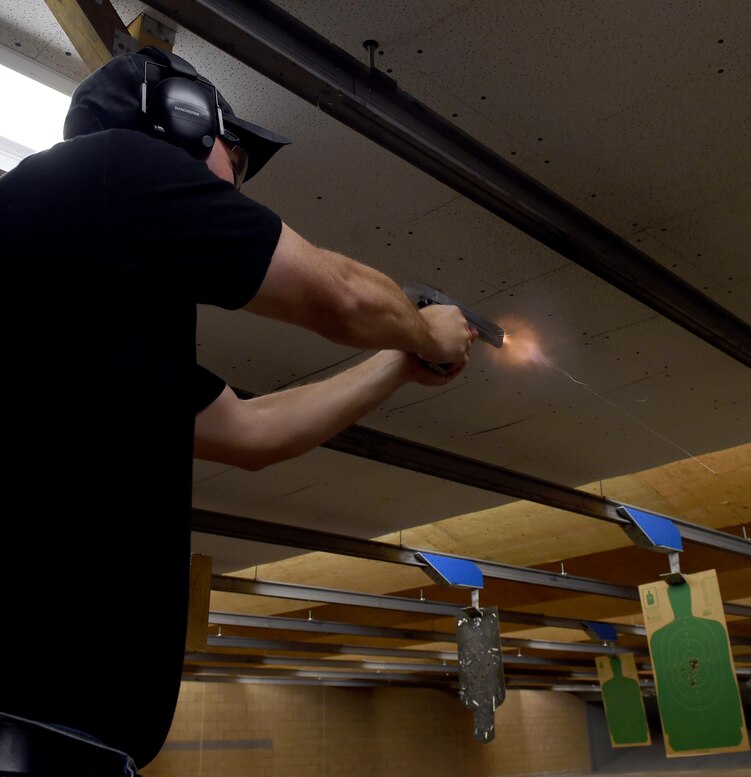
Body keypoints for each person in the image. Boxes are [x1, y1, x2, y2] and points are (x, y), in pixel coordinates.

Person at [0, 45, 475, 775]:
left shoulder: (88, 318)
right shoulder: (112, 166)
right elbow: (341, 293)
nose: (235, 178)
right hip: (31, 732)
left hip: (65, 739)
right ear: (181, 120)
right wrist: (425, 330)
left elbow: (253, 432)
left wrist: (397, 367)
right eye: (234, 151)